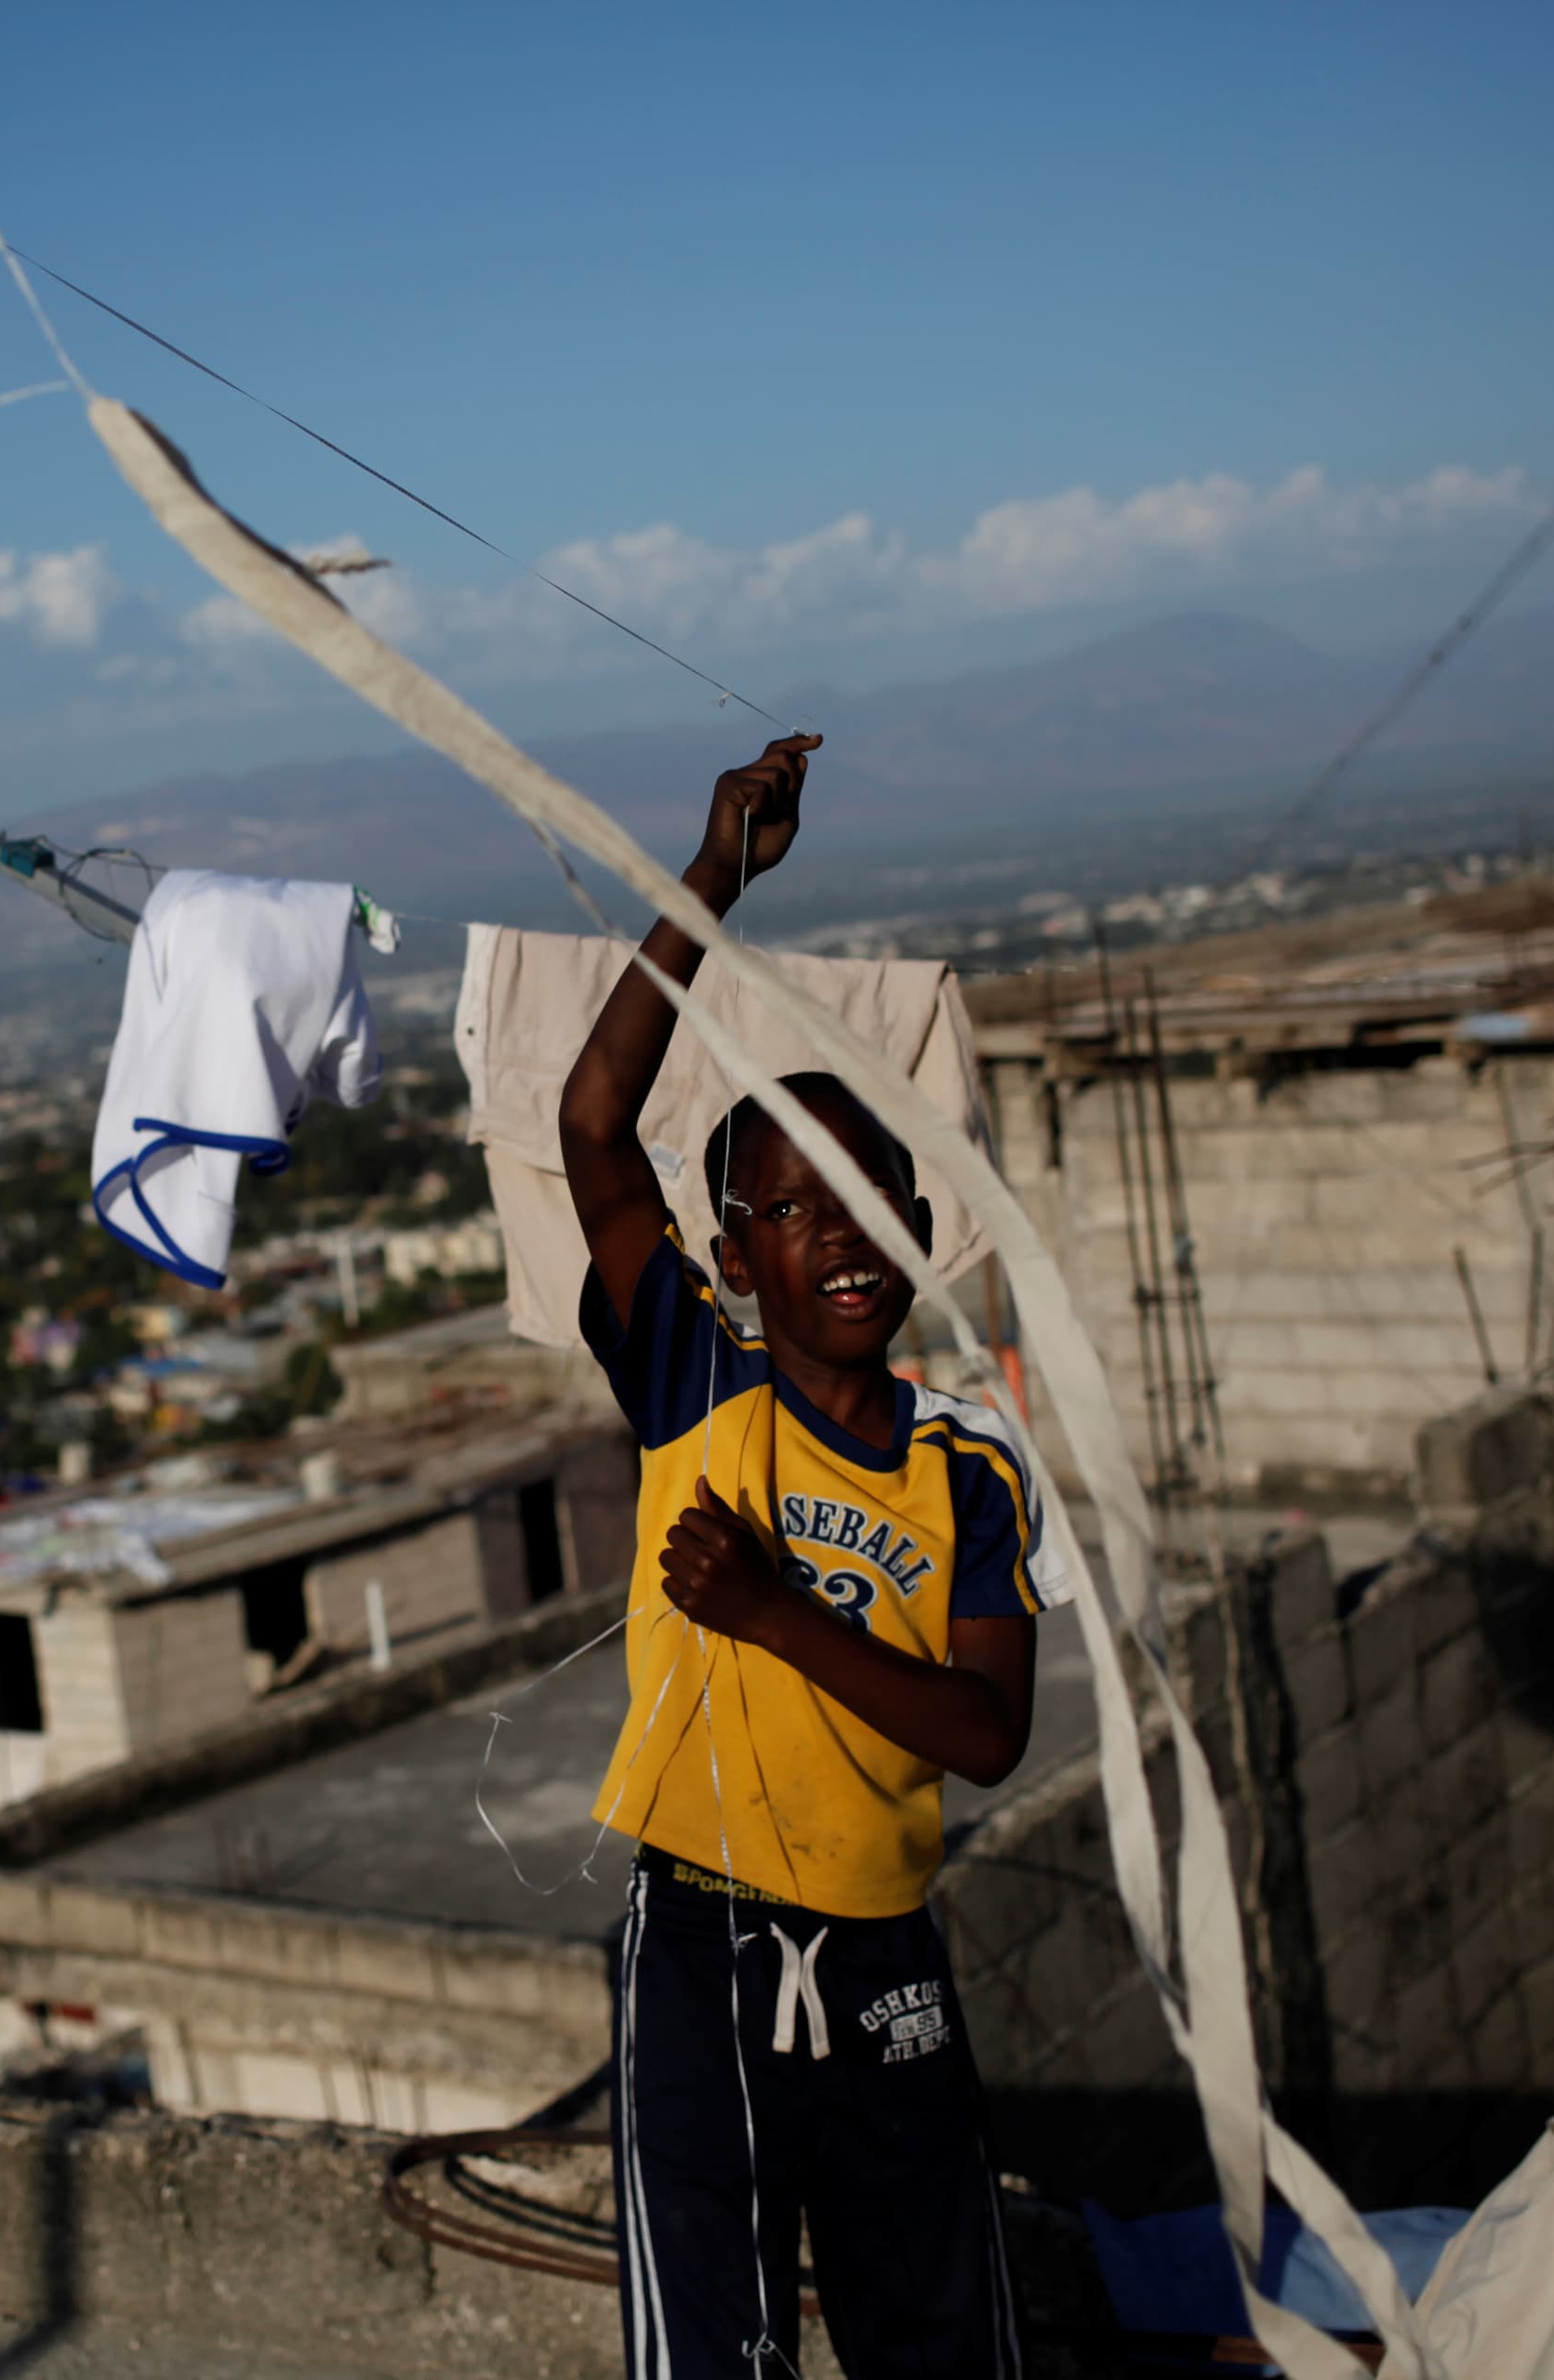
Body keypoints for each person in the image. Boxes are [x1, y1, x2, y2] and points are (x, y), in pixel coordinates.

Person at [559, 735, 1052, 2380]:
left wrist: (772, 1613)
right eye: (795, 1205)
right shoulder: (695, 1384)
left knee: (941, 2336)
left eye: (870, 1194)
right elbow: (592, 1118)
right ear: (738, 1255)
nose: (841, 1231)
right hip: (701, 1951)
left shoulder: (966, 1467)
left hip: (891, 1954)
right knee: (717, 2351)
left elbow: (986, 1736)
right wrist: (715, 876)